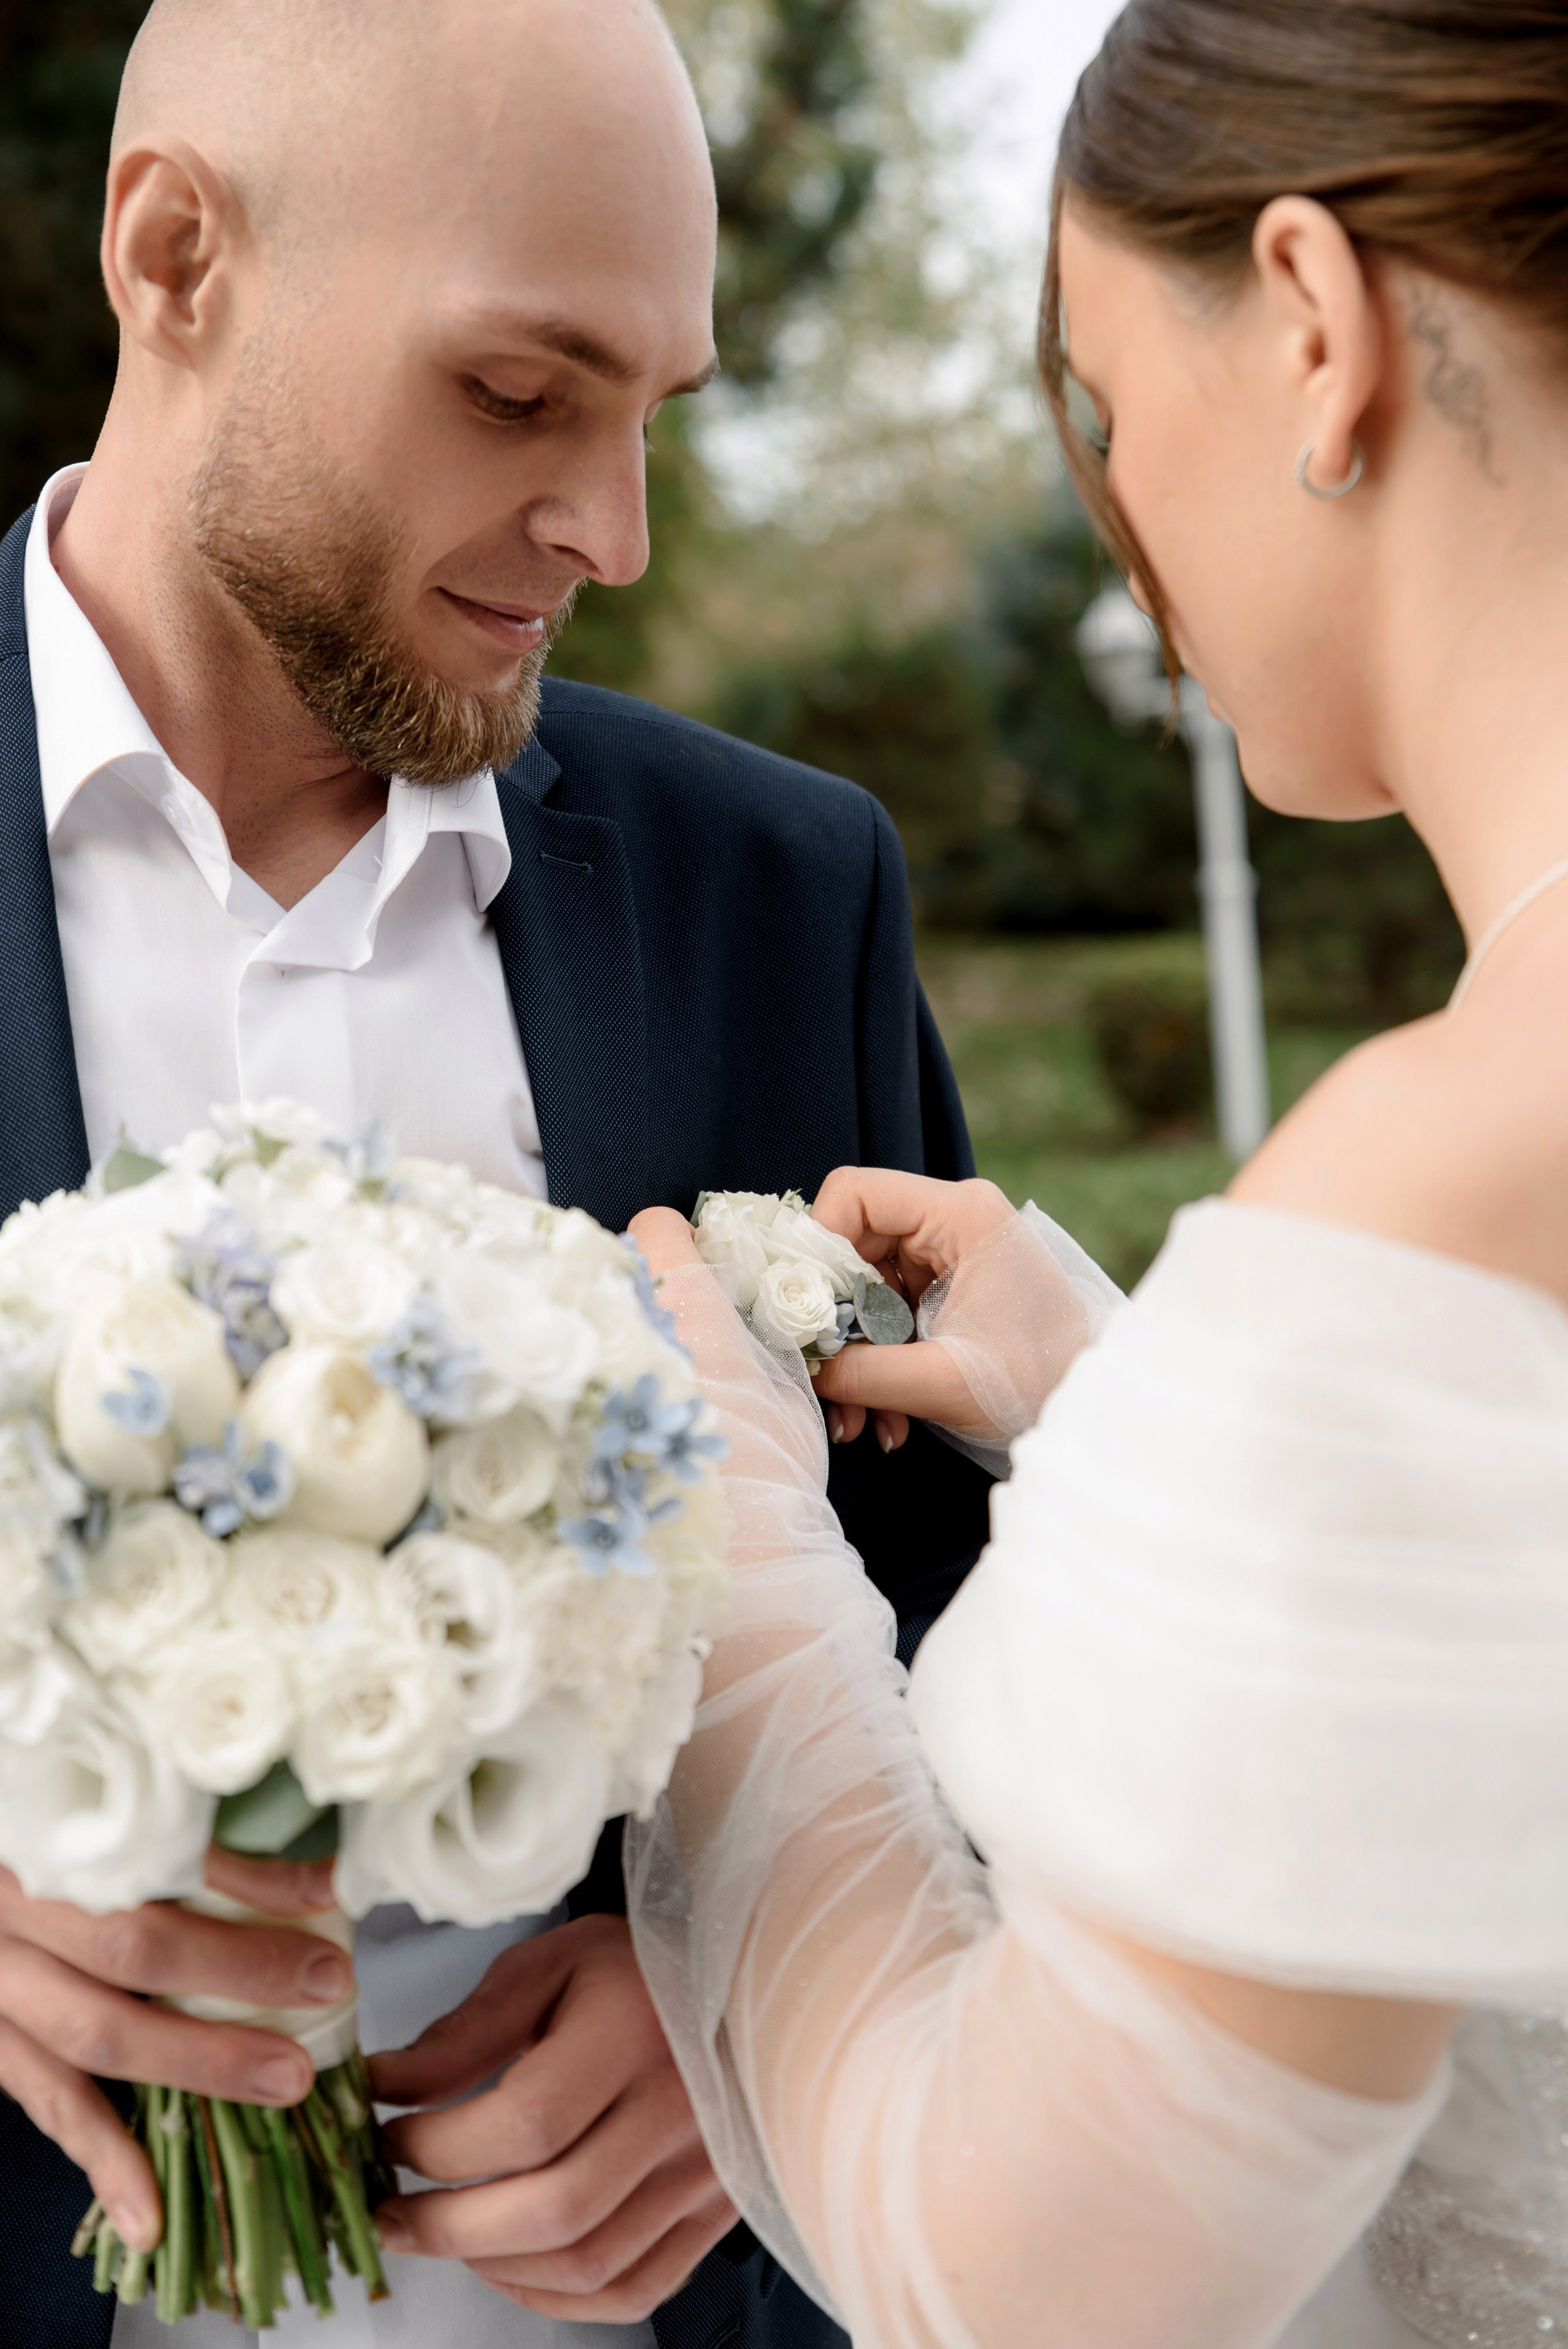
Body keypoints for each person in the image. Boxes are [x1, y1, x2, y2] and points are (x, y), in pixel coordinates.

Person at [0, 3, 992, 2345]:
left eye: (652, 416)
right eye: (520, 396)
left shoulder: (784, 890)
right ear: (174, 253)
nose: (613, 535)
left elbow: (981, 1609)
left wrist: (758, 1993)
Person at [622, 2, 1568, 2343]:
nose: (1125, 516)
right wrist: (1141, 1416)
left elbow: (1019, 2269)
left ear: (1319, 330)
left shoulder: (1456, 1159)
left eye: (1113, 408)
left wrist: (727, 1538)